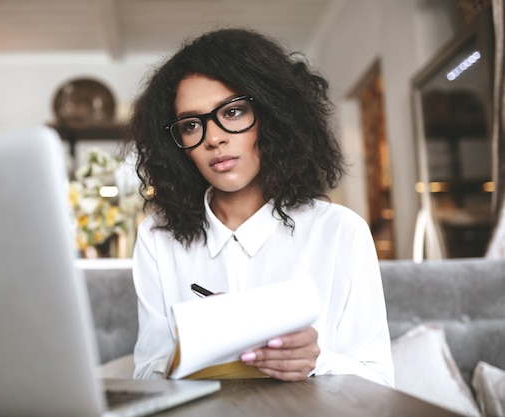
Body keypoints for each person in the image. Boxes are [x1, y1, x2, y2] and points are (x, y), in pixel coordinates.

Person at [124, 28, 394, 386]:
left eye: (233, 112)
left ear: (273, 117)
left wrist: (315, 360)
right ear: (178, 146)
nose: (214, 137)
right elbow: (145, 371)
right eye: (191, 125)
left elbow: (380, 380)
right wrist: (189, 346)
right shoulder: (157, 238)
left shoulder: (341, 231)